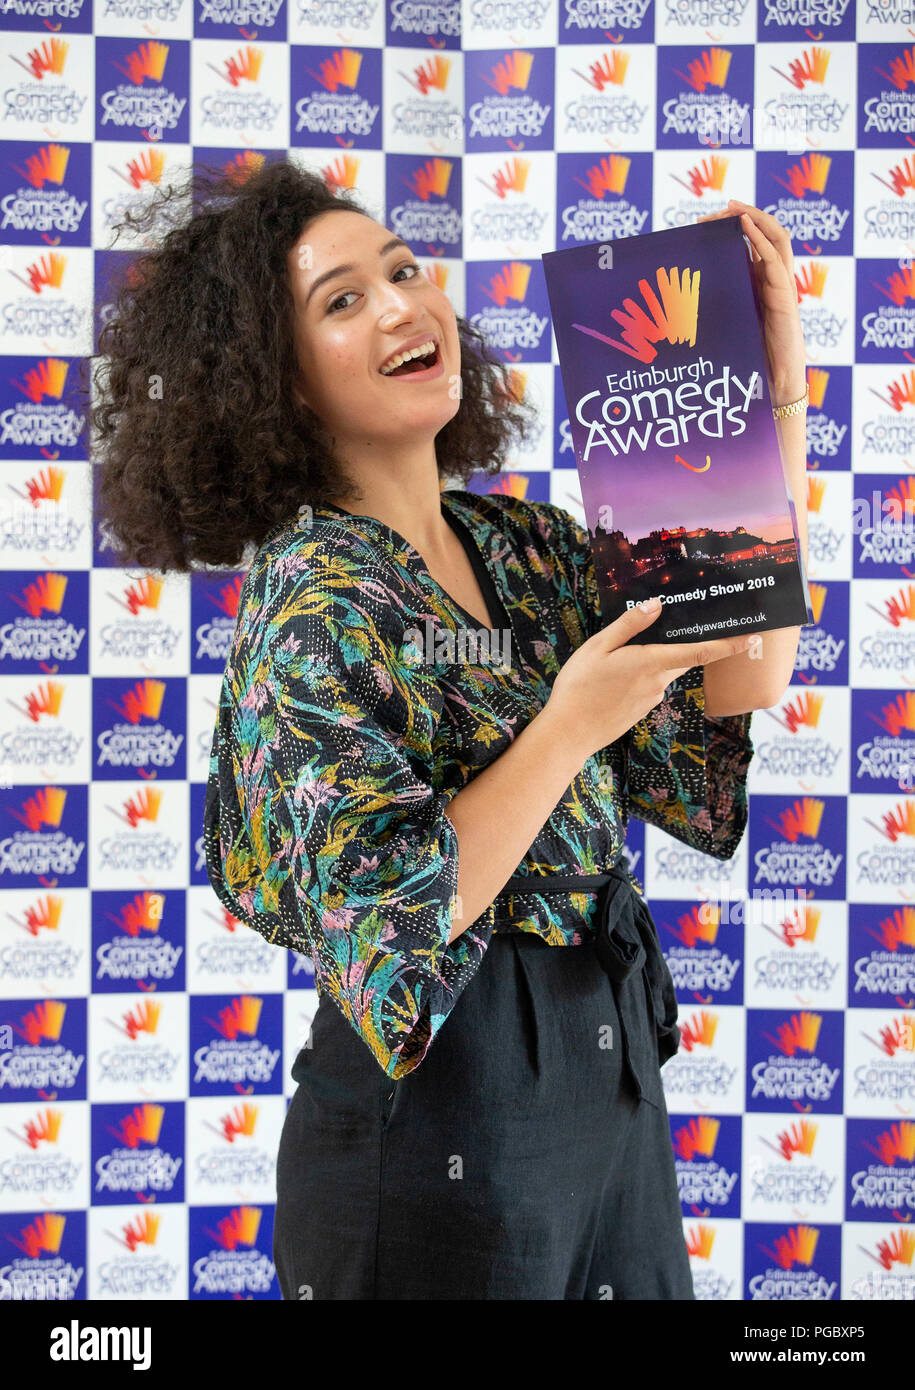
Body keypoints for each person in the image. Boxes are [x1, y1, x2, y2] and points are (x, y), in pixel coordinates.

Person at [89, 159, 808, 1300]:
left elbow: (746, 670)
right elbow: (391, 916)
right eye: (341, 299)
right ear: (276, 385)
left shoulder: (530, 549)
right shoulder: (312, 604)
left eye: (404, 269)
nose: (400, 305)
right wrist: (567, 727)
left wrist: (767, 377)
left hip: (607, 1082)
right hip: (440, 1122)